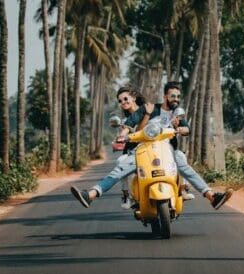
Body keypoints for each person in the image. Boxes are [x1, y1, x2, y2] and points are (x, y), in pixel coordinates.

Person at [70, 83, 233, 210]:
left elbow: (185, 129)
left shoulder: (173, 112)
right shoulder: (146, 109)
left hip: (166, 149)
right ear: (165, 96)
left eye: (177, 96)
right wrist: (122, 134)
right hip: (141, 150)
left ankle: (211, 196)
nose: (174, 98)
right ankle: (91, 194)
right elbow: (129, 124)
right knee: (120, 169)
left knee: (182, 162)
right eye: (172, 95)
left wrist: (179, 128)